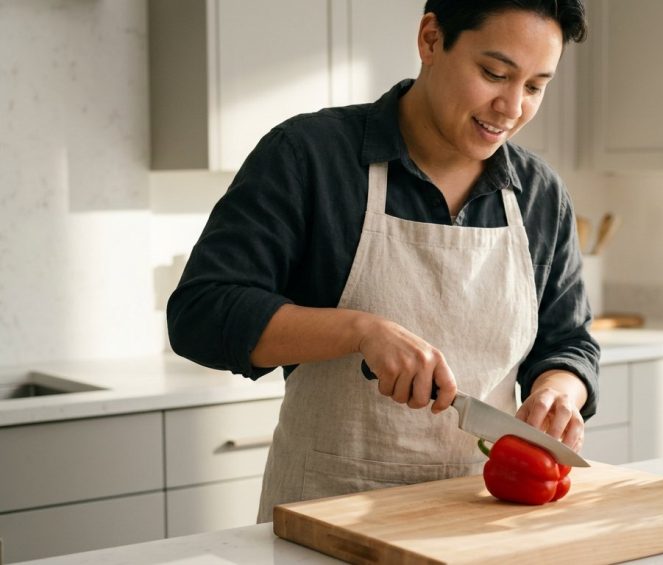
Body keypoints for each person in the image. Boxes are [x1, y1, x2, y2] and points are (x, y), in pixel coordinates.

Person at [167, 0, 599, 523]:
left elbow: (568, 342)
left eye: (534, 87)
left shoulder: (539, 194)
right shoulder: (310, 156)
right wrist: (359, 331)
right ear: (431, 40)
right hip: (326, 515)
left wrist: (558, 390)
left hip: (482, 515)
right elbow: (202, 313)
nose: (511, 106)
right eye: (494, 74)